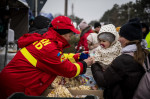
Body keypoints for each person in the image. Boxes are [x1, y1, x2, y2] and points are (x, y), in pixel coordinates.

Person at [0, 16, 94, 99]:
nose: (70, 39)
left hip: (14, 80)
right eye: (70, 35)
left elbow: (57, 59)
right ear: (64, 34)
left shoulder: (47, 40)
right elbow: (69, 70)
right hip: (16, 86)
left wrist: (77, 57)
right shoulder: (50, 48)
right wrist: (85, 63)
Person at [91, 18, 149, 99]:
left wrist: (94, 64)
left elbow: (103, 81)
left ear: (128, 39)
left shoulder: (123, 60)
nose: (118, 39)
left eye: (121, 36)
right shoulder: (145, 54)